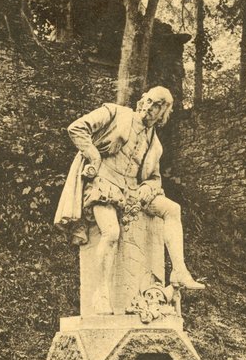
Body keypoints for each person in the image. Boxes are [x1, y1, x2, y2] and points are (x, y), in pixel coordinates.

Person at [55, 86, 205, 314]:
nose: (151, 109)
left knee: (172, 209)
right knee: (111, 233)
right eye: (150, 102)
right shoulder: (114, 113)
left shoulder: (155, 144)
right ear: (142, 100)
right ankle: (102, 293)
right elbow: (76, 128)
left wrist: (148, 186)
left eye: (158, 107)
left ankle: (179, 270)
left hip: (131, 191)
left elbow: (155, 178)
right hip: (103, 183)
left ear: (163, 115)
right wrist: (94, 155)